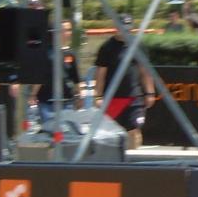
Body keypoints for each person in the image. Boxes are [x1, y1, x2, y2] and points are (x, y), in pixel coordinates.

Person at [94, 14, 155, 149]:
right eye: (122, 28)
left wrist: (149, 92)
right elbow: (100, 74)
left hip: (134, 97)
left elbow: (145, 71)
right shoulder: (107, 47)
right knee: (113, 132)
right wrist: (98, 96)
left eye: (128, 28)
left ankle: (133, 160)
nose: (125, 31)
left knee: (133, 129)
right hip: (112, 97)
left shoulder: (138, 45)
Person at [32, 21, 83, 123]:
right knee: (50, 133)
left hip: (67, 102)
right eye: (65, 30)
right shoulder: (46, 53)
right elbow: (39, 77)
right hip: (47, 102)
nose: (69, 33)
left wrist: (78, 96)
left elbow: (75, 78)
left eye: (69, 30)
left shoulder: (70, 54)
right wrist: (32, 95)